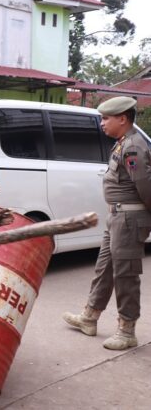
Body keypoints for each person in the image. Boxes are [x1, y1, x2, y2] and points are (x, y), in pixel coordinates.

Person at [62, 96, 151, 350]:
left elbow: (145, 187)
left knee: (126, 274)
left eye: (106, 118)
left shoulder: (133, 146)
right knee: (104, 269)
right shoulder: (123, 143)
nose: (102, 123)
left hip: (129, 219)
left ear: (122, 119)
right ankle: (90, 317)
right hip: (117, 217)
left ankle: (127, 330)